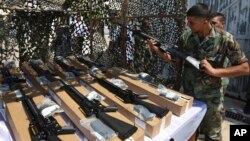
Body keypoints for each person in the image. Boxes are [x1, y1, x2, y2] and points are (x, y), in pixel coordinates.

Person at [147, 3, 249, 141]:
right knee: (189, 132)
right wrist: (157, 50)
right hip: (189, 96)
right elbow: (175, 59)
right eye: (187, 22)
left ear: (205, 21)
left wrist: (214, 71)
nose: (188, 25)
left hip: (211, 99)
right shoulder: (186, 37)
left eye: (192, 22)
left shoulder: (225, 39)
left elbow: (245, 68)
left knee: (212, 136)